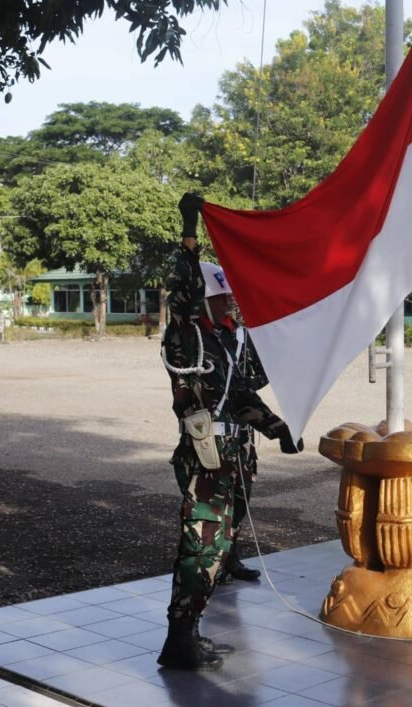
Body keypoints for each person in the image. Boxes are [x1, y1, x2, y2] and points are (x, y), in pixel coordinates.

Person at [157, 193, 304, 671]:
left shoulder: (221, 340)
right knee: (201, 547)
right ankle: (179, 640)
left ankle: (188, 633)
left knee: (216, 548)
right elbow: (180, 289)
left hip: (231, 455)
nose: (227, 300)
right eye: (218, 295)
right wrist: (190, 231)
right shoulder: (186, 335)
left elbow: (240, 396)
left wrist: (278, 429)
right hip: (206, 458)